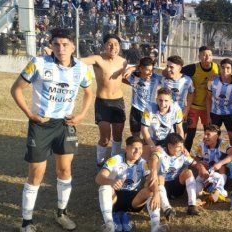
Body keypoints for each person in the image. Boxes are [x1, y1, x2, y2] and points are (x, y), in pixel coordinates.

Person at [11, 28, 93, 232]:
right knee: (36, 173)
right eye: (56, 44)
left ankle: (61, 213)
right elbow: (16, 89)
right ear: (51, 45)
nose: (60, 48)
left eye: (65, 44)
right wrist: (30, 115)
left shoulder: (82, 69)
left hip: (65, 125)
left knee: (64, 170)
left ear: (73, 46)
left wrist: (82, 114)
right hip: (41, 124)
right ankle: (26, 222)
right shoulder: (39, 63)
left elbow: (89, 92)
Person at [95, 136, 167, 232]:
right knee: (105, 187)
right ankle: (109, 224)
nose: (138, 151)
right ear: (127, 148)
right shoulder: (115, 160)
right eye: (134, 148)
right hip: (114, 198)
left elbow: (151, 180)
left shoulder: (143, 163)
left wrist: (156, 194)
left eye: (140, 148)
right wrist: (111, 182)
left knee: (151, 191)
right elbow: (98, 178)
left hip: (134, 201)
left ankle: (155, 226)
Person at [81, 34, 128, 166]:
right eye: (110, 44)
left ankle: (114, 163)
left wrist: (133, 69)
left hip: (118, 102)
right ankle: (100, 162)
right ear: (104, 46)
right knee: (105, 138)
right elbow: (79, 61)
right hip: (103, 103)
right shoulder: (97, 59)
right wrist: (58, 57)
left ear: (120, 46)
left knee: (118, 137)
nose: (113, 47)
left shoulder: (123, 61)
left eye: (116, 44)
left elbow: (123, 78)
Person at [150, 133, 200, 220]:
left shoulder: (182, 153)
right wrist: (153, 172)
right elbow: (154, 157)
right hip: (162, 186)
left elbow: (195, 164)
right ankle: (167, 209)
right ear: (169, 146)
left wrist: (202, 169)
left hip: (177, 186)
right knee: (160, 177)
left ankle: (192, 206)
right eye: (178, 146)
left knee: (188, 172)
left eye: (182, 146)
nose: (181, 149)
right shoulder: (161, 151)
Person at [192, 125, 232, 210]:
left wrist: (220, 163)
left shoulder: (223, 144)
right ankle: (209, 191)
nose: (205, 136)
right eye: (205, 134)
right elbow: (196, 158)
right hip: (207, 174)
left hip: (220, 173)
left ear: (216, 136)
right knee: (197, 192)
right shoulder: (202, 145)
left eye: (208, 134)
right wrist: (199, 163)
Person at [181, 46, 219, 151]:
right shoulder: (192, 68)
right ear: (199, 56)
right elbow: (177, 70)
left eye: (210, 55)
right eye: (204, 55)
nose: (207, 57)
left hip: (208, 108)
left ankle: (207, 155)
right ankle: (186, 155)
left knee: (209, 135)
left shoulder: (218, 69)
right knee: (190, 134)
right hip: (194, 107)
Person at [124, 57, 162, 137]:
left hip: (149, 110)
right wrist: (132, 68)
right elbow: (121, 76)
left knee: (148, 136)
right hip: (136, 109)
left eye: (151, 70)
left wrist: (133, 68)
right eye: (147, 70)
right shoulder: (134, 77)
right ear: (140, 69)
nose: (150, 73)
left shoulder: (156, 78)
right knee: (135, 135)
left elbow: (166, 74)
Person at [207, 58, 232, 144]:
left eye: (228, 68)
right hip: (215, 113)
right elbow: (208, 99)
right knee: (212, 137)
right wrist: (208, 116)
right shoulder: (211, 81)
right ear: (219, 69)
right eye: (223, 67)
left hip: (230, 114)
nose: (225, 70)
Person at [161, 55, 195, 132]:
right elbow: (148, 69)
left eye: (171, 67)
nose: (168, 69)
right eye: (167, 66)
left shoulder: (187, 80)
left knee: (180, 139)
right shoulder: (162, 78)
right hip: (165, 113)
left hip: (180, 113)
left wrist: (187, 109)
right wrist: (133, 68)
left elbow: (191, 93)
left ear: (179, 68)